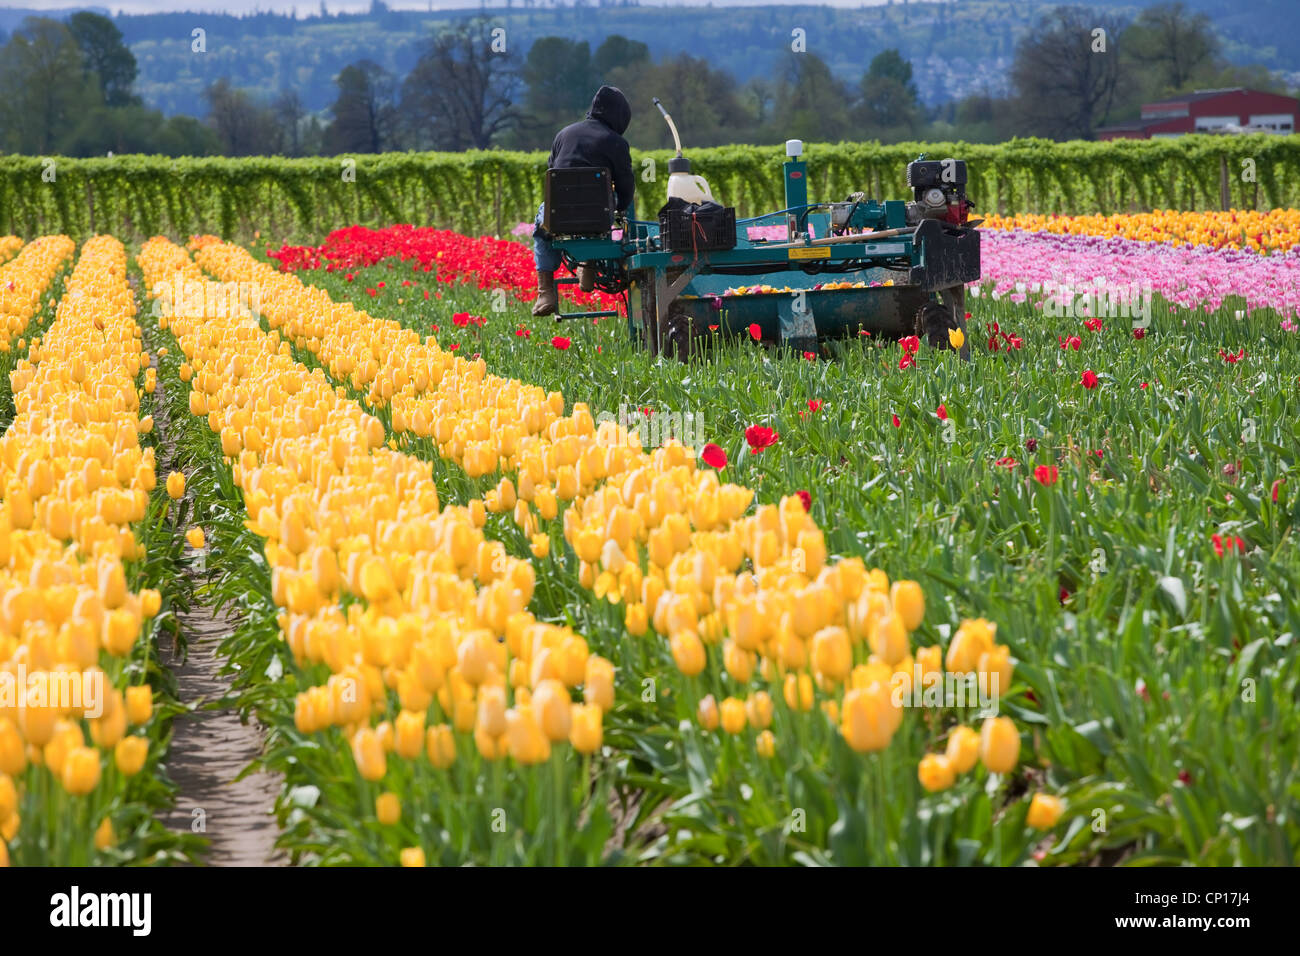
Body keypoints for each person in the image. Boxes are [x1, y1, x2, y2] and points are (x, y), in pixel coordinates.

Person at [532, 85, 635, 317]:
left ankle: (545, 291)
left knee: (541, 229)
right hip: (597, 215)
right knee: (604, 204)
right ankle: (587, 265)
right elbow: (626, 185)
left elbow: (552, 173)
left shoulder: (563, 134)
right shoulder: (616, 142)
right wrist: (621, 207)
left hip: (558, 213)